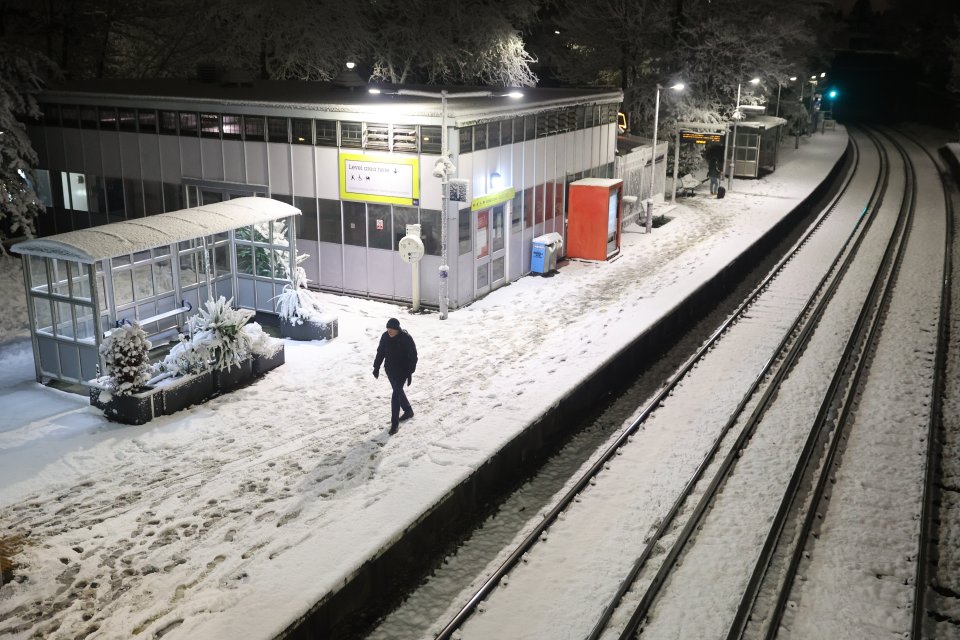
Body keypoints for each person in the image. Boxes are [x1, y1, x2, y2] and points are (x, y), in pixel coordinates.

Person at [373, 317, 418, 434]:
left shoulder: (406, 338)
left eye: (392, 329)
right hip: (390, 369)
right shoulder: (385, 337)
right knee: (397, 391)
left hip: (403, 370)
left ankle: (394, 424)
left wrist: (410, 372)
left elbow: (413, 356)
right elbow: (380, 352)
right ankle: (408, 410)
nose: (389, 331)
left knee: (395, 394)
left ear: (397, 329)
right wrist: (376, 367)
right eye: (388, 329)